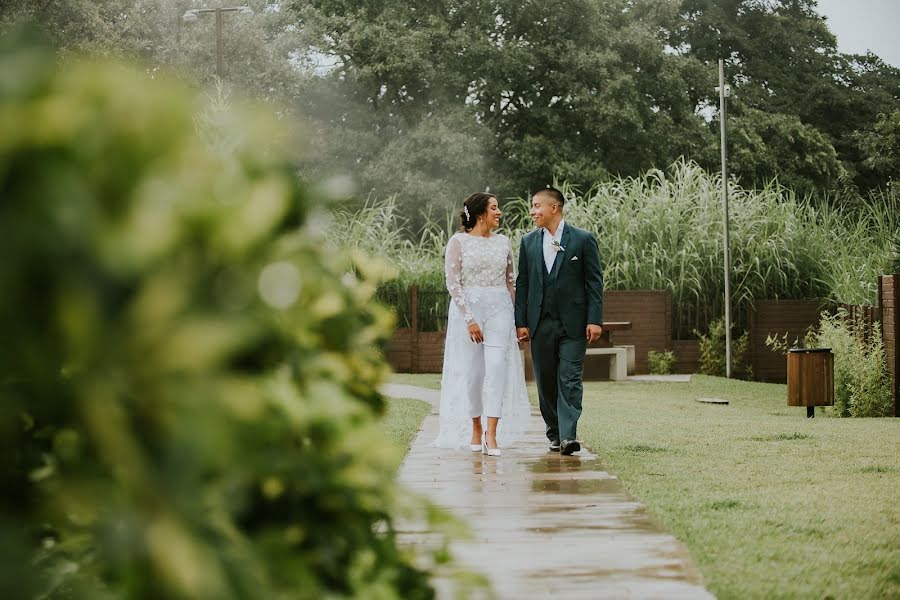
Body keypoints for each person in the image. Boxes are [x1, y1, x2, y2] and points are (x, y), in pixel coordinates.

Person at [432, 192, 531, 456]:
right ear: (479, 214)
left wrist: (518, 319)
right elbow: (453, 284)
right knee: (474, 374)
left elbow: (511, 282)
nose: (499, 212)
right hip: (469, 312)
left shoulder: (504, 242)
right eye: (495, 208)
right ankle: (475, 427)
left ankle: (492, 434)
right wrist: (469, 319)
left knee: (497, 368)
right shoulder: (458, 242)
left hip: (500, 308)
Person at [514, 187, 604, 455]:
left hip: (574, 324)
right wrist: (521, 322)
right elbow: (523, 282)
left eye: (537, 205)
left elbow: (594, 283)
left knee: (570, 378)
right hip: (540, 323)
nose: (532, 211)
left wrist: (595, 319)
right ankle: (554, 431)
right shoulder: (528, 242)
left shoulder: (583, 239)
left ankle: (568, 435)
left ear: (554, 208)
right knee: (546, 380)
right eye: (532, 206)